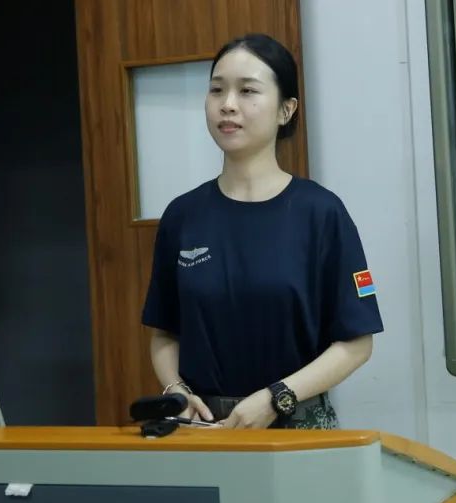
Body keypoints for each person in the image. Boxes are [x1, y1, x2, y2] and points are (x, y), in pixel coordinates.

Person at [141, 33, 383, 430]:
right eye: (216, 90)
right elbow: (165, 334)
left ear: (286, 110)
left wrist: (276, 397)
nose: (227, 104)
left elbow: (357, 343)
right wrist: (176, 390)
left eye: (247, 90)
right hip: (204, 430)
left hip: (296, 424)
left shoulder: (321, 213)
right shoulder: (183, 215)